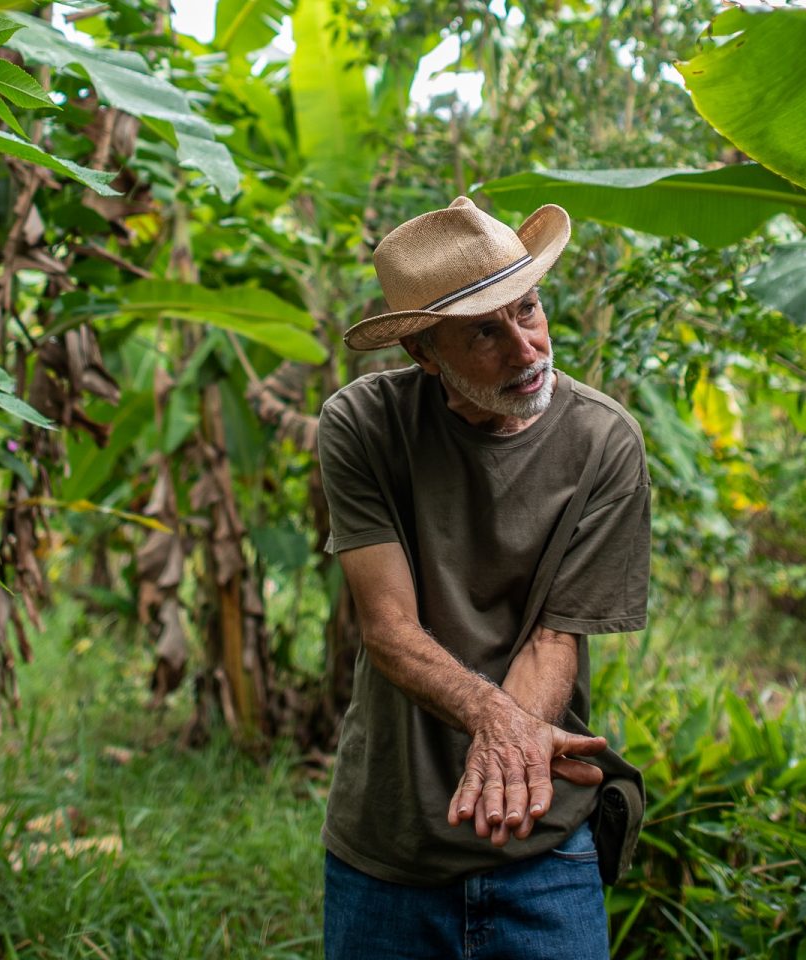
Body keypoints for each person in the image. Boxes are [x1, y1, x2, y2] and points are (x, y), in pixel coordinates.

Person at [318, 195, 651, 960]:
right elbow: (389, 629)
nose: (525, 348)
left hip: (544, 841)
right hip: (389, 849)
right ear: (424, 354)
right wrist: (502, 728)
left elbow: (555, 636)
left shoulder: (604, 442)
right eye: (483, 333)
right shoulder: (363, 425)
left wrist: (506, 752)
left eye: (527, 309)